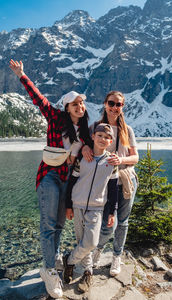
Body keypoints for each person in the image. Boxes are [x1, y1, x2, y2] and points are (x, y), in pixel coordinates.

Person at [9, 59, 92, 299]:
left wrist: (86, 148)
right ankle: (48, 270)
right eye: (75, 104)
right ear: (67, 107)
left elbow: (95, 145)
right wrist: (22, 75)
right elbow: (39, 99)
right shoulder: (55, 119)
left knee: (59, 224)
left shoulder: (85, 132)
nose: (80, 107)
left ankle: (53, 258)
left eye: (82, 104)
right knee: (47, 225)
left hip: (68, 180)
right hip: (49, 175)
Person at [82, 91, 139, 276]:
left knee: (122, 222)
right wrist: (84, 147)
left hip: (125, 180)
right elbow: (83, 145)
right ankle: (97, 249)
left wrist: (120, 160)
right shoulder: (94, 127)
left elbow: (135, 157)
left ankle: (116, 257)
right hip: (103, 183)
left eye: (119, 105)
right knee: (106, 222)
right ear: (105, 104)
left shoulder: (126, 130)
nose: (115, 108)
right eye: (112, 103)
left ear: (122, 107)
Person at [63, 123, 118, 293]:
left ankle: (69, 260)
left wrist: (112, 212)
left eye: (107, 137)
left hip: (97, 208)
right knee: (82, 242)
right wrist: (68, 206)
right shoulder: (82, 158)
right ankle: (88, 272)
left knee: (91, 242)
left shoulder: (111, 162)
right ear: (93, 137)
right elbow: (72, 182)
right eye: (99, 135)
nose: (102, 139)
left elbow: (113, 189)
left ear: (110, 141)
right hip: (78, 205)